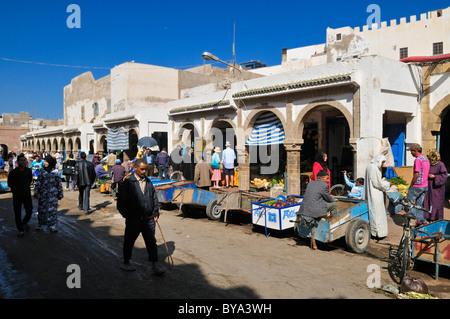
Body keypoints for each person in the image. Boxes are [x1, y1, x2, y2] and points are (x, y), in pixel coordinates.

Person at [117, 159, 166, 275]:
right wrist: (128, 215)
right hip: (133, 219)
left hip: (148, 219)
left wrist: (155, 213)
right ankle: (126, 262)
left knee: (151, 242)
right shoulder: (129, 182)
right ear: (135, 167)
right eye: (142, 169)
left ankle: (155, 266)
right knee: (129, 241)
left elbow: (154, 197)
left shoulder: (148, 182)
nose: (144, 171)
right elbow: (121, 203)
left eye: (146, 169)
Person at [364, 154, 392, 239]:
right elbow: (377, 183)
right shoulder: (373, 168)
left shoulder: (369, 167)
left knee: (373, 213)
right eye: (383, 162)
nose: (383, 164)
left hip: (371, 193)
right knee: (377, 214)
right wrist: (388, 184)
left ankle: (375, 233)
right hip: (375, 194)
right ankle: (379, 234)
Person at [34, 155, 64, 232]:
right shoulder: (41, 171)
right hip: (43, 194)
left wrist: (60, 194)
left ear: (50, 162)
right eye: (44, 161)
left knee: (53, 211)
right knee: (41, 209)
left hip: (53, 194)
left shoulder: (56, 171)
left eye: (46, 161)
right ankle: (40, 224)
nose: (45, 163)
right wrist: (36, 192)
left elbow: (59, 183)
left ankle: (52, 226)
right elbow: (38, 182)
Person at [7, 154, 33, 237]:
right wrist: (16, 189)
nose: (23, 162)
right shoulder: (13, 172)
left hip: (26, 194)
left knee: (29, 210)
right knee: (17, 213)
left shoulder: (28, 171)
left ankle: (24, 222)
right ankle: (20, 229)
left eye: (24, 160)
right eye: (21, 160)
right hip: (17, 195)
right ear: (18, 162)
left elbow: (30, 180)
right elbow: (9, 183)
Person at [406, 143, 430, 225]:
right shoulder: (426, 159)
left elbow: (416, 173)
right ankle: (421, 220)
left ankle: (410, 217)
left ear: (415, 151)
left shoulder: (418, 160)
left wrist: (411, 184)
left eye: (411, 152)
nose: (411, 153)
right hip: (425, 186)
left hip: (417, 185)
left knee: (409, 202)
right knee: (419, 204)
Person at [423, 149, 448, 222]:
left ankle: (436, 219)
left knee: (436, 203)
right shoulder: (428, 164)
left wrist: (435, 177)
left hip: (437, 188)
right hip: (429, 187)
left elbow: (444, 175)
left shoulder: (440, 164)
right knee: (428, 201)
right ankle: (428, 217)